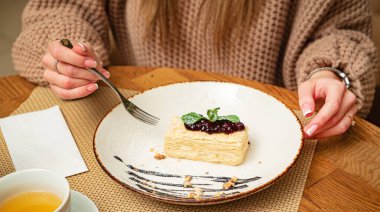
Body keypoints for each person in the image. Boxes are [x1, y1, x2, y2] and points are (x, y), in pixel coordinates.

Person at [12, 0, 378, 139]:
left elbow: (339, 27)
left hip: (273, 130)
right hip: (136, 125)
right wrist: (67, 50)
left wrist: (330, 72)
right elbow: (59, 8)